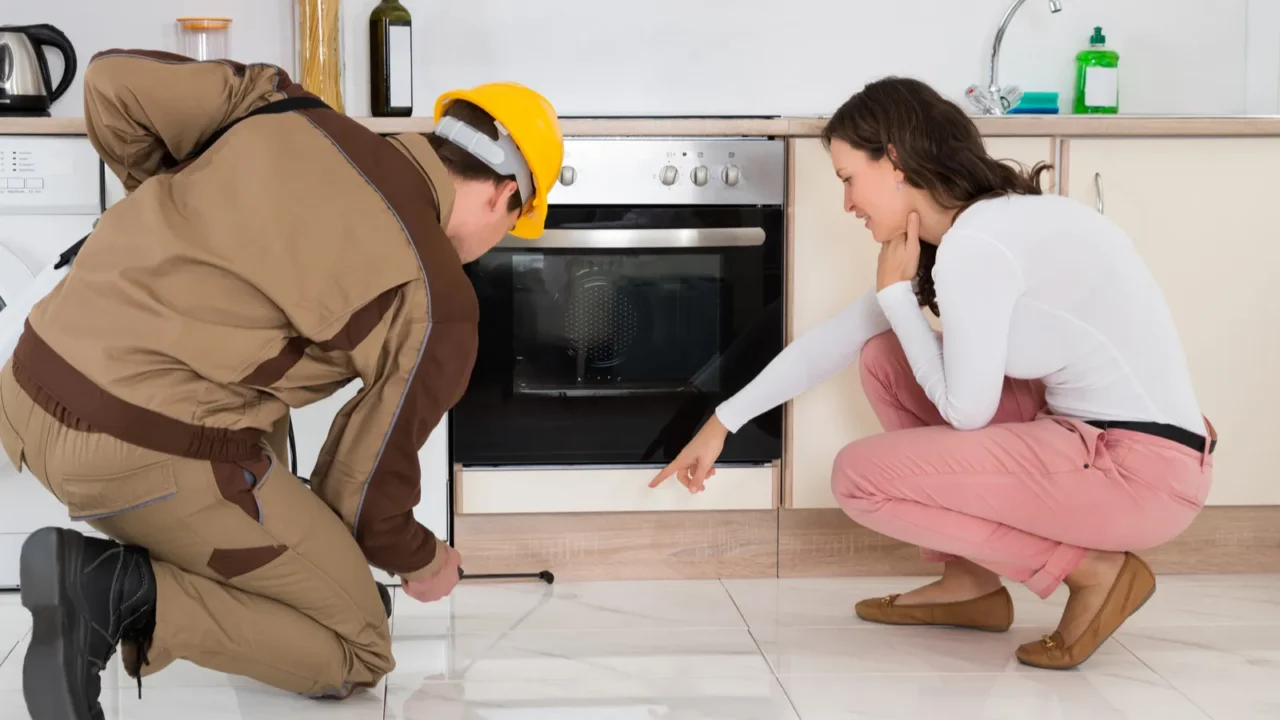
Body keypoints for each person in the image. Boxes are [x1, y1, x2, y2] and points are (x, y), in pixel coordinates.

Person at [0, 48, 563, 719]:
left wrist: (171, 208)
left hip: (26, 384)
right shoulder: (438, 299)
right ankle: (114, 591)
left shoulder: (280, 104)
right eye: (511, 223)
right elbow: (363, 502)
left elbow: (108, 81)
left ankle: (281, 582)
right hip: (133, 450)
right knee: (360, 645)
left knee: (257, 417)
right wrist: (423, 559)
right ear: (506, 197)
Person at [650, 76, 1215, 670]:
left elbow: (966, 410)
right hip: (1112, 448)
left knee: (858, 479)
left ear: (894, 159)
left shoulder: (979, 244)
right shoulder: (982, 229)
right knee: (883, 358)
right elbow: (834, 343)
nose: (846, 204)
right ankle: (969, 582)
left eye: (848, 179)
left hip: (1135, 470)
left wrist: (897, 297)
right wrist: (722, 421)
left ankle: (1095, 570)